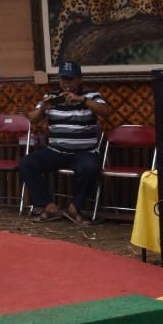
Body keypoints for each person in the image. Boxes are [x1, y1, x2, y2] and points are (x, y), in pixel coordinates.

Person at [20, 60, 112, 225]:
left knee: (90, 167)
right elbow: (32, 119)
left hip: (84, 152)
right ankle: (49, 207)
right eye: (63, 79)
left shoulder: (91, 96)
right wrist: (43, 108)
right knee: (27, 162)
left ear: (79, 80)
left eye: (70, 79)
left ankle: (74, 209)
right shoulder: (52, 97)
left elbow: (106, 112)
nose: (66, 83)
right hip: (57, 151)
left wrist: (81, 100)